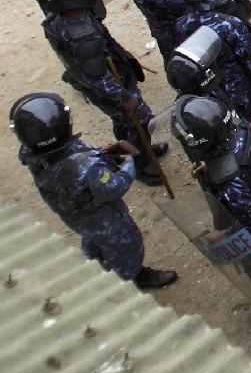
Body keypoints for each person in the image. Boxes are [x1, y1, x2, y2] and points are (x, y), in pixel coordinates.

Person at [10, 91, 176, 289]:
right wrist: (129, 162)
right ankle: (135, 275)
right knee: (126, 243)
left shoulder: (34, 155)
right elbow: (114, 187)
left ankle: (94, 257)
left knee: (93, 237)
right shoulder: (87, 168)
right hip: (101, 216)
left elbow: (76, 159)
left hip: (75, 214)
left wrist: (101, 154)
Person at [40, 0, 167, 185]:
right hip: (112, 87)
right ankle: (139, 164)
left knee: (127, 123)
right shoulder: (83, 36)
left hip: (102, 78)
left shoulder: (61, 20)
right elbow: (99, 77)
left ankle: (141, 151)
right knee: (137, 121)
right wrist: (124, 97)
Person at [169, 93, 251, 249]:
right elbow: (236, 154)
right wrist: (210, 165)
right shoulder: (243, 130)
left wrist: (224, 234)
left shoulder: (227, 180)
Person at [173, 0, 251, 130]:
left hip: (210, 84)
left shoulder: (181, 25)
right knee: (250, 112)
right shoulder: (228, 24)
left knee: (229, 116)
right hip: (237, 82)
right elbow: (250, 58)